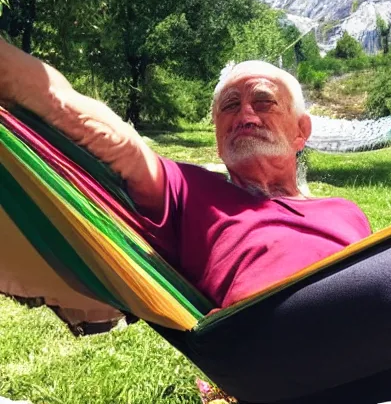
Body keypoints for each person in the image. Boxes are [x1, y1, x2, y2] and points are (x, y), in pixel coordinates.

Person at [0, 39, 371, 307]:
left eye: (263, 102)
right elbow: (120, 145)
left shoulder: (346, 212)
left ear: (300, 131)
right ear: (217, 132)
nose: (245, 115)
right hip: (277, 363)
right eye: (230, 105)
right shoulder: (192, 192)